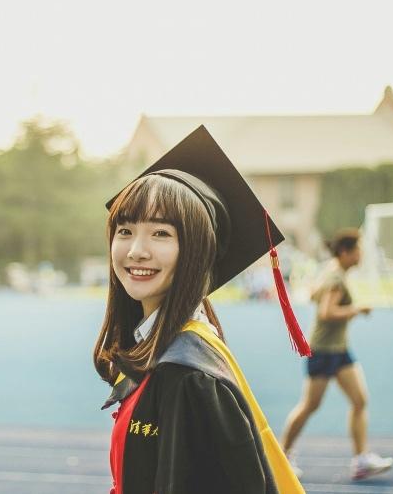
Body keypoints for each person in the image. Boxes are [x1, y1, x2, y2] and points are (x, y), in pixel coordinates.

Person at [94, 125, 308, 493]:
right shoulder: (166, 348)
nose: (136, 250)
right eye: (125, 230)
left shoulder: (186, 373)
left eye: (161, 233)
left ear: (197, 251)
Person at [280, 228, 393, 481]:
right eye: (358, 250)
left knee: (359, 400)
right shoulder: (335, 278)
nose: (361, 255)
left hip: (339, 349)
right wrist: (357, 309)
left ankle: (361, 460)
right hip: (323, 351)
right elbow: (326, 313)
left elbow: (312, 294)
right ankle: (282, 455)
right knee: (310, 405)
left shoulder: (331, 271)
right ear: (345, 252)